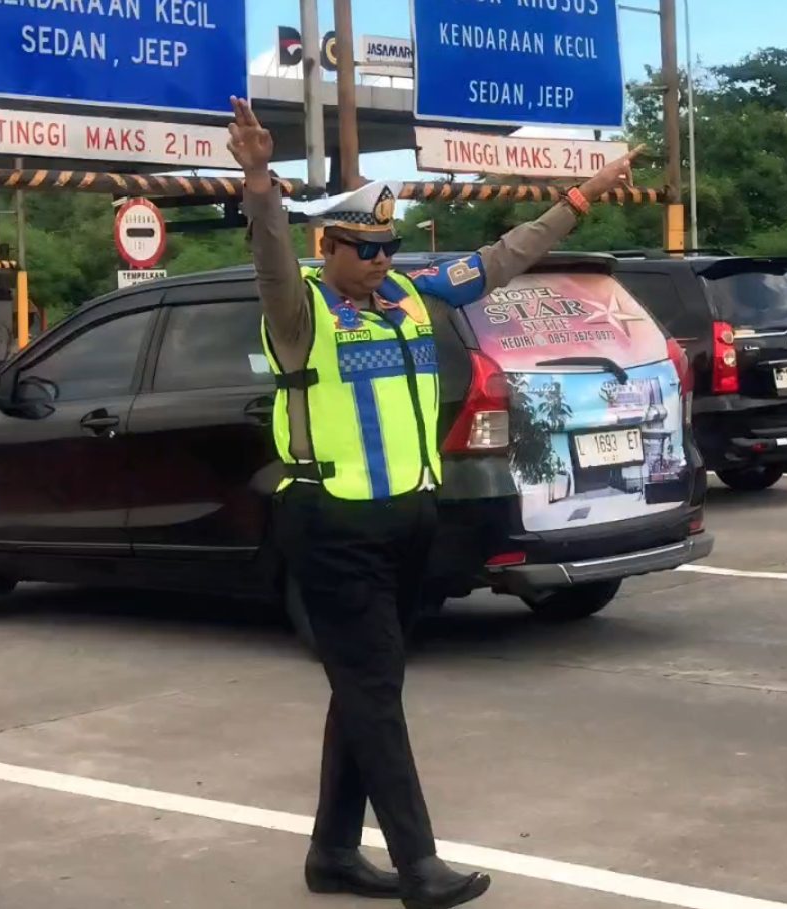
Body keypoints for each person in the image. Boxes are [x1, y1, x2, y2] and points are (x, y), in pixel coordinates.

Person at [228, 96, 641, 909]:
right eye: (365, 248)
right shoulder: (298, 311)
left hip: (410, 521)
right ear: (329, 246)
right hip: (332, 523)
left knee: (367, 683)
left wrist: (580, 197)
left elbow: (505, 256)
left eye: (389, 245)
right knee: (375, 687)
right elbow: (271, 257)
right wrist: (257, 182)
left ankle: (333, 853)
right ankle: (419, 864)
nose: (381, 258)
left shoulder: (417, 295)